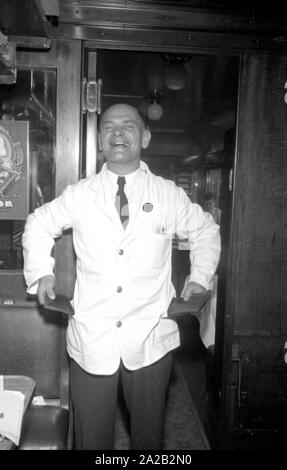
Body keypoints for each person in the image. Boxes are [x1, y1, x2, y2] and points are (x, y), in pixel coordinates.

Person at [22, 103, 221, 450]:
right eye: (109, 127)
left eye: (128, 126)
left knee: (149, 439)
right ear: (99, 140)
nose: (117, 133)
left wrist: (199, 278)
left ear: (144, 137)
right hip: (91, 334)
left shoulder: (168, 194)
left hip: (150, 334)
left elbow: (206, 229)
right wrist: (41, 273)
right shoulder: (80, 194)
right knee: (91, 439)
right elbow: (38, 223)